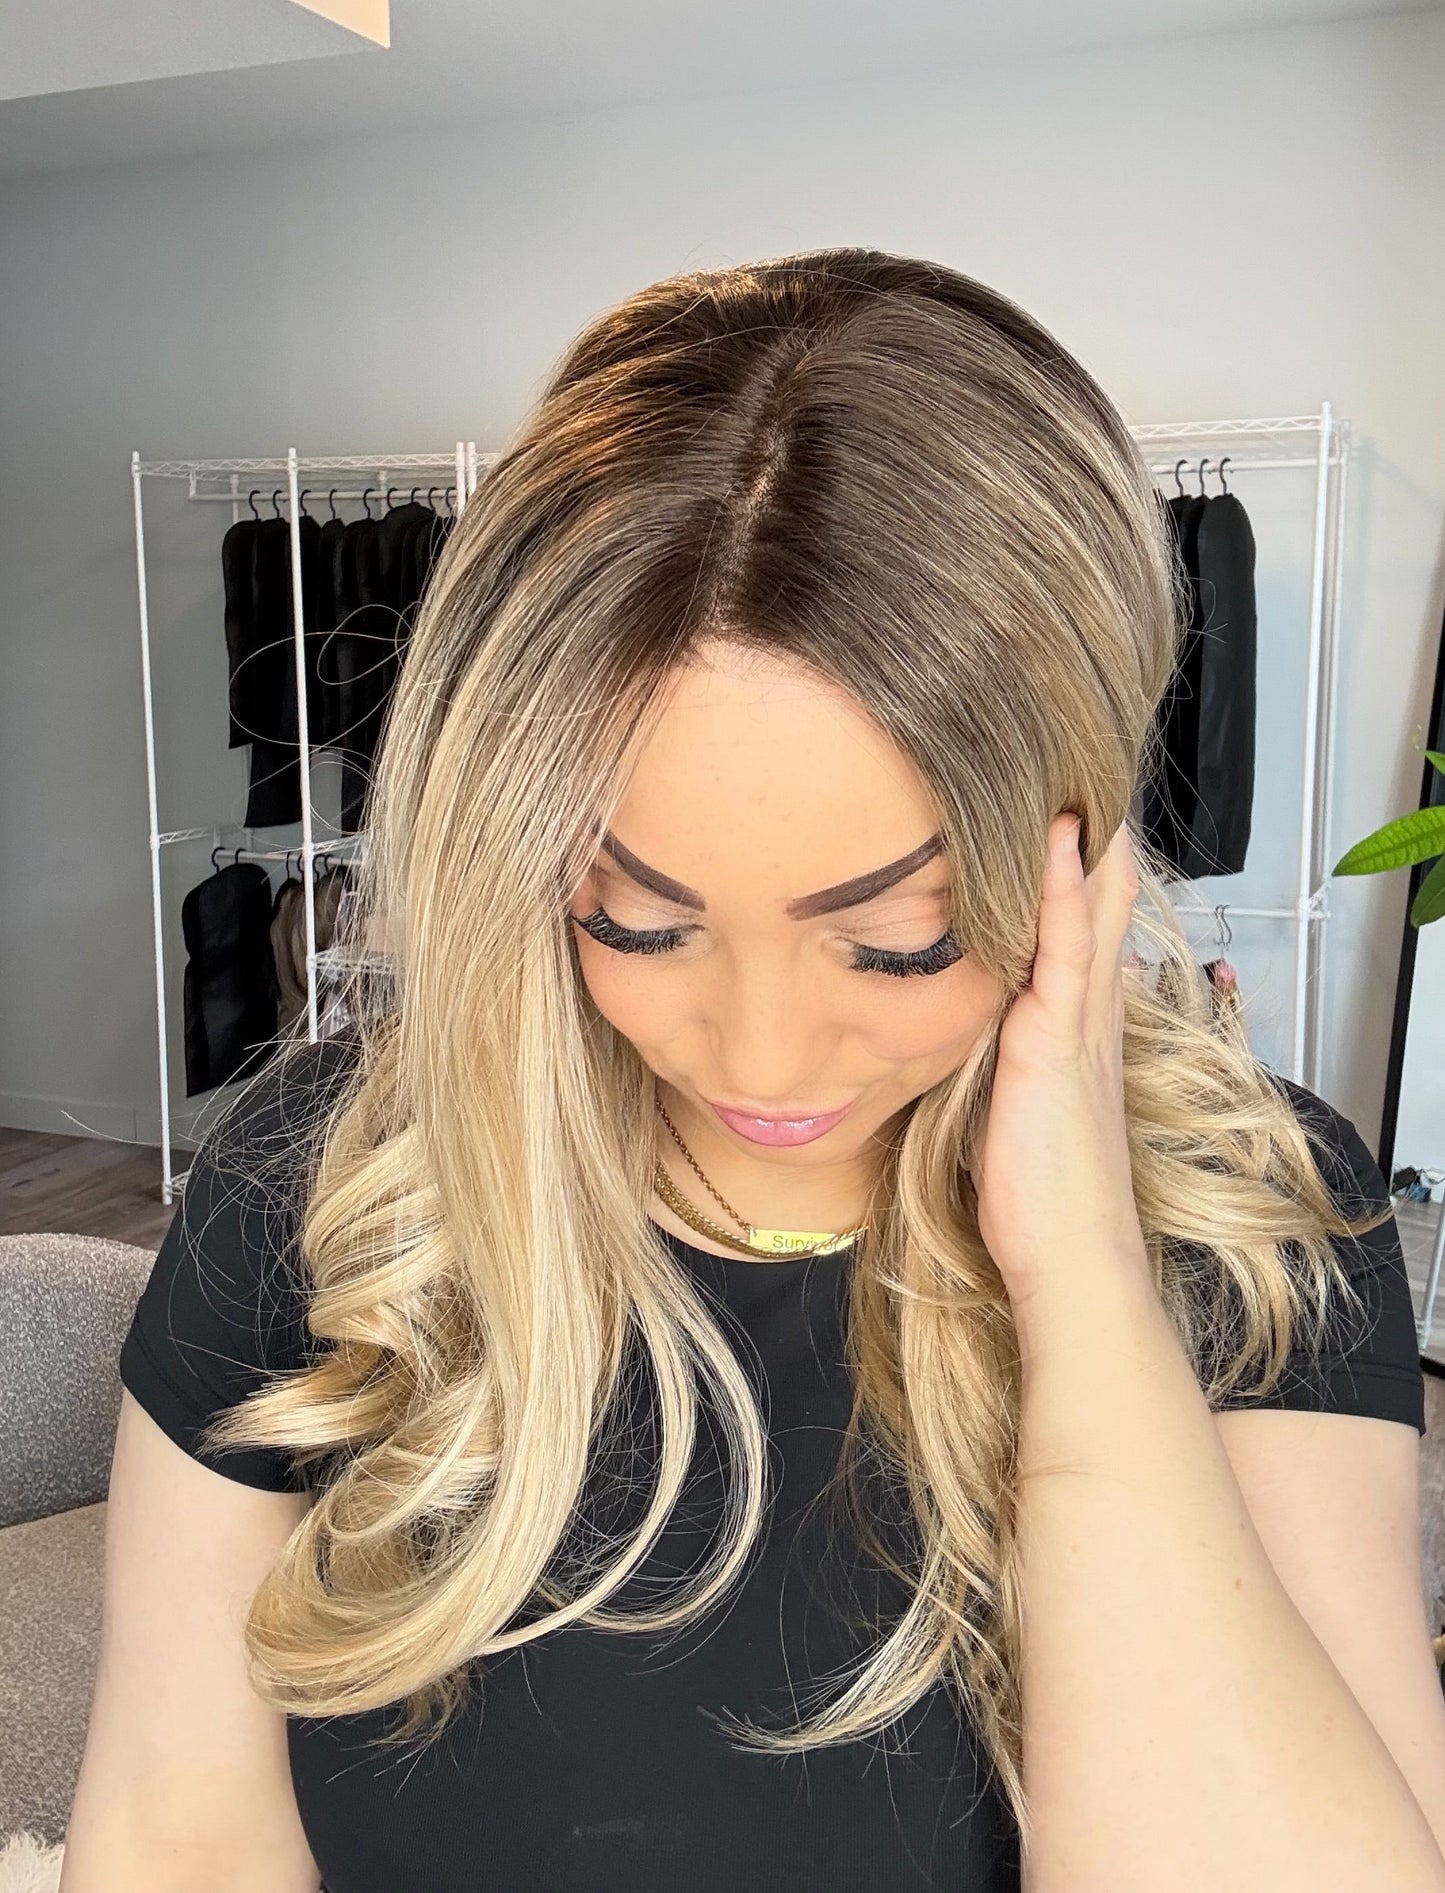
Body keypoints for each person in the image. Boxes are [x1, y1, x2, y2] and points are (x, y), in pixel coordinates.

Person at [66, 249, 1434, 1893]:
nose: (763, 1057)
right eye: (638, 922)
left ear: (1074, 846)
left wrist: (1080, 1286)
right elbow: (170, 1831)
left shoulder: (1255, 1228)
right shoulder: (333, 1181)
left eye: (900, 941)